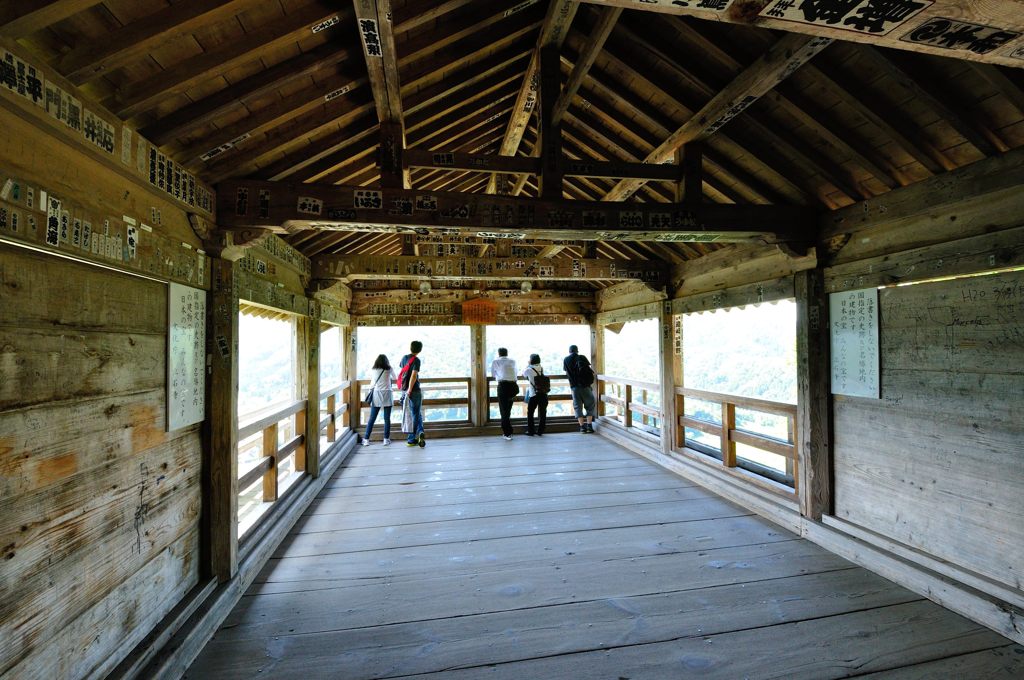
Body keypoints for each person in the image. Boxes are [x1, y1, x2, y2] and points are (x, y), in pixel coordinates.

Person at [362, 354, 396, 446]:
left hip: (377, 394)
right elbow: (395, 378)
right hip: (387, 394)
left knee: (372, 418)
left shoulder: (374, 370)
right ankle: (386, 439)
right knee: (387, 419)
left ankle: (366, 439)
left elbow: (372, 382)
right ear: (386, 361)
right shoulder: (389, 369)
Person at [563, 344, 596, 433]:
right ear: (577, 351)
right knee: (590, 405)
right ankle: (589, 426)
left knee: (577, 407)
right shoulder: (582, 357)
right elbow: (589, 371)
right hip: (585, 386)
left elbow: (566, 371)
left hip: (574, 387)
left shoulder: (566, 359)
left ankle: (582, 427)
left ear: (569, 351)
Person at [400, 340, 425, 447]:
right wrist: (410, 389)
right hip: (414, 390)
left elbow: (403, 373)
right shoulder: (417, 360)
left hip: (404, 389)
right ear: (420, 350)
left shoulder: (404, 358)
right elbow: (413, 376)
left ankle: (417, 434)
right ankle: (415, 436)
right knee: (415, 413)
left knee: (413, 413)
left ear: (410, 348)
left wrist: (406, 389)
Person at [490, 347, 518, 440]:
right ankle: (508, 431)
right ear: (507, 353)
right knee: (508, 408)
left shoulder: (496, 361)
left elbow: (493, 375)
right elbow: (515, 373)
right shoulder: (513, 361)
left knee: (503, 410)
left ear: (499, 353)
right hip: (513, 387)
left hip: (503, 386)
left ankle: (507, 433)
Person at [522, 353, 548, 437]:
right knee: (543, 412)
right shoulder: (541, 368)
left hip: (534, 394)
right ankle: (540, 431)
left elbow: (523, 374)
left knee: (530, 412)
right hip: (543, 393)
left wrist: (528, 364)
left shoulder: (529, 369)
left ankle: (531, 431)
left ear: (531, 360)